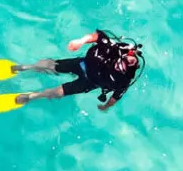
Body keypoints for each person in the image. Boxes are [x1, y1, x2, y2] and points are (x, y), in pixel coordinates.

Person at [10, 30, 145, 112]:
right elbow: (97, 36)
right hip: (83, 65)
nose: (117, 68)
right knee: (48, 65)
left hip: (89, 82)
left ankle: (31, 97)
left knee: (57, 92)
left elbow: (115, 98)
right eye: (119, 64)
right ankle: (26, 67)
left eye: (120, 70)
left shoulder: (123, 81)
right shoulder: (113, 49)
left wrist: (106, 107)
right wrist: (80, 41)